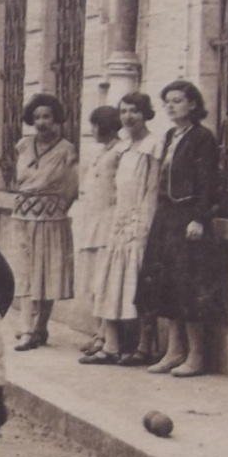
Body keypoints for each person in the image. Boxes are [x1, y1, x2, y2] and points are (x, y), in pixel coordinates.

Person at [135, 80, 226, 377]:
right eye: (167, 102)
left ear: (193, 105)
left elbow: (208, 183)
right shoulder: (172, 135)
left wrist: (199, 218)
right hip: (168, 218)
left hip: (190, 220)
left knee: (189, 289)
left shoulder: (202, 138)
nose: (171, 106)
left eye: (177, 100)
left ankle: (196, 356)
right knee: (167, 286)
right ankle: (174, 351)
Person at [91, 92, 163, 366]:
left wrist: (144, 223)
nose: (128, 117)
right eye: (124, 111)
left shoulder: (153, 145)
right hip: (118, 220)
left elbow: (153, 188)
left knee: (139, 283)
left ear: (145, 113)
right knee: (111, 281)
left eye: (134, 111)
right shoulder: (122, 149)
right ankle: (111, 345)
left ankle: (145, 347)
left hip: (139, 221)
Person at [9, 93, 78, 351]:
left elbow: (71, 187)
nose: (41, 122)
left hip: (51, 218)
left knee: (47, 273)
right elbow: (20, 179)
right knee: (26, 273)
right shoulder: (23, 146)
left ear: (56, 118)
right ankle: (27, 327)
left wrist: (54, 208)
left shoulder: (66, 149)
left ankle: (41, 327)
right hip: (22, 215)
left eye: (46, 116)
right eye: (37, 117)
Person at [73, 105, 124, 359]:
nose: (92, 130)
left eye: (96, 125)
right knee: (94, 283)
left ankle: (107, 337)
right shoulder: (99, 153)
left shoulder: (119, 152)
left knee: (105, 283)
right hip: (93, 223)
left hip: (108, 224)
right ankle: (98, 333)